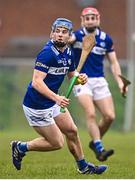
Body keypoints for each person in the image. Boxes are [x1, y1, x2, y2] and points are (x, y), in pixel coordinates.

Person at [11, 18, 107, 175]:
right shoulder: (47, 54)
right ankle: (20, 147)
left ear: (69, 36)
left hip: (52, 101)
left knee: (71, 131)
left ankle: (83, 167)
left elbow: (71, 75)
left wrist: (80, 78)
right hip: (37, 106)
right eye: (57, 32)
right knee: (56, 143)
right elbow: (37, 82)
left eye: (64, 32)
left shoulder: (68, 52)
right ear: (51, 34)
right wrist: (56, 98)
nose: (60, 35)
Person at [69, 7, 128, 161]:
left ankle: (95, 141)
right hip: (81, 80)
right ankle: (99, 146)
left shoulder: (106, 39)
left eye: (93, 17)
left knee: (109, 116)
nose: (90, 20)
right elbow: (67, 41)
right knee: (91, 113)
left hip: (99, 80)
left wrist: (120, 82)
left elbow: (114, 63)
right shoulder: (76, 35)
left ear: (98, 19)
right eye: (87, 18)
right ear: (82, 20)